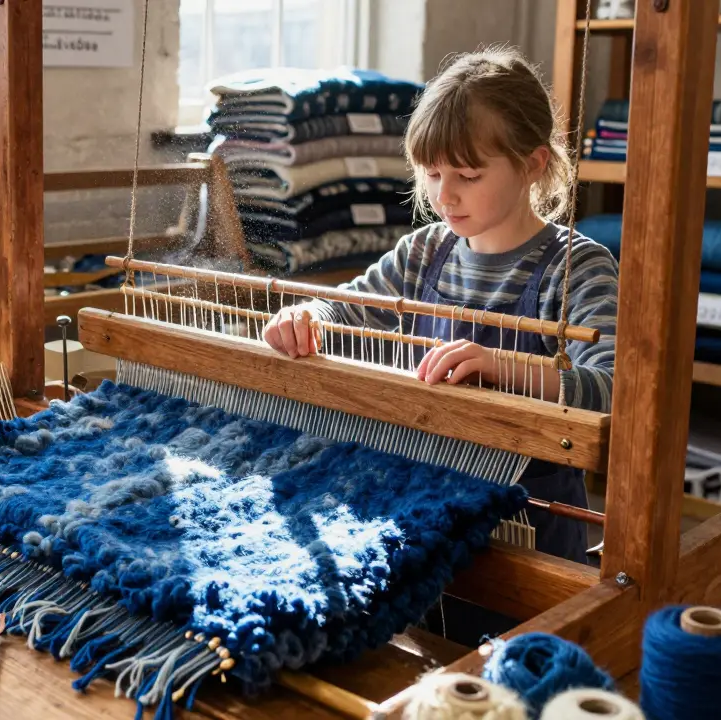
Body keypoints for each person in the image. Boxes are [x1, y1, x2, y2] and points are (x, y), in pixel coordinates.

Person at [262, 47, 618, 567]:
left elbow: (611, 390)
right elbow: (348, 309)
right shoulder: (425, 252)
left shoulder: (575, 268)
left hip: (530, 532)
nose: (444, 195)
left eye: (467, 176)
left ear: (532, 164)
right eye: (431, 174)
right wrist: (308, 316)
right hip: (427, 511)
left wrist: (504, 368)